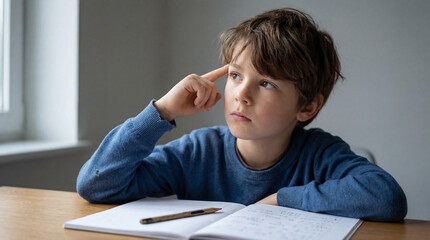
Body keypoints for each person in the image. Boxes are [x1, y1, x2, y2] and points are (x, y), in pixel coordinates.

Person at [77, 7, 407, 221]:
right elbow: (96, 184)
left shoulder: (320, 155)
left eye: (265, 83)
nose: (241, 96)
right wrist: (161, 112)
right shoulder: (199, 151)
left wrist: (281, 200)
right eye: (235, 76)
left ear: (307, 107)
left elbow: (385, 197)